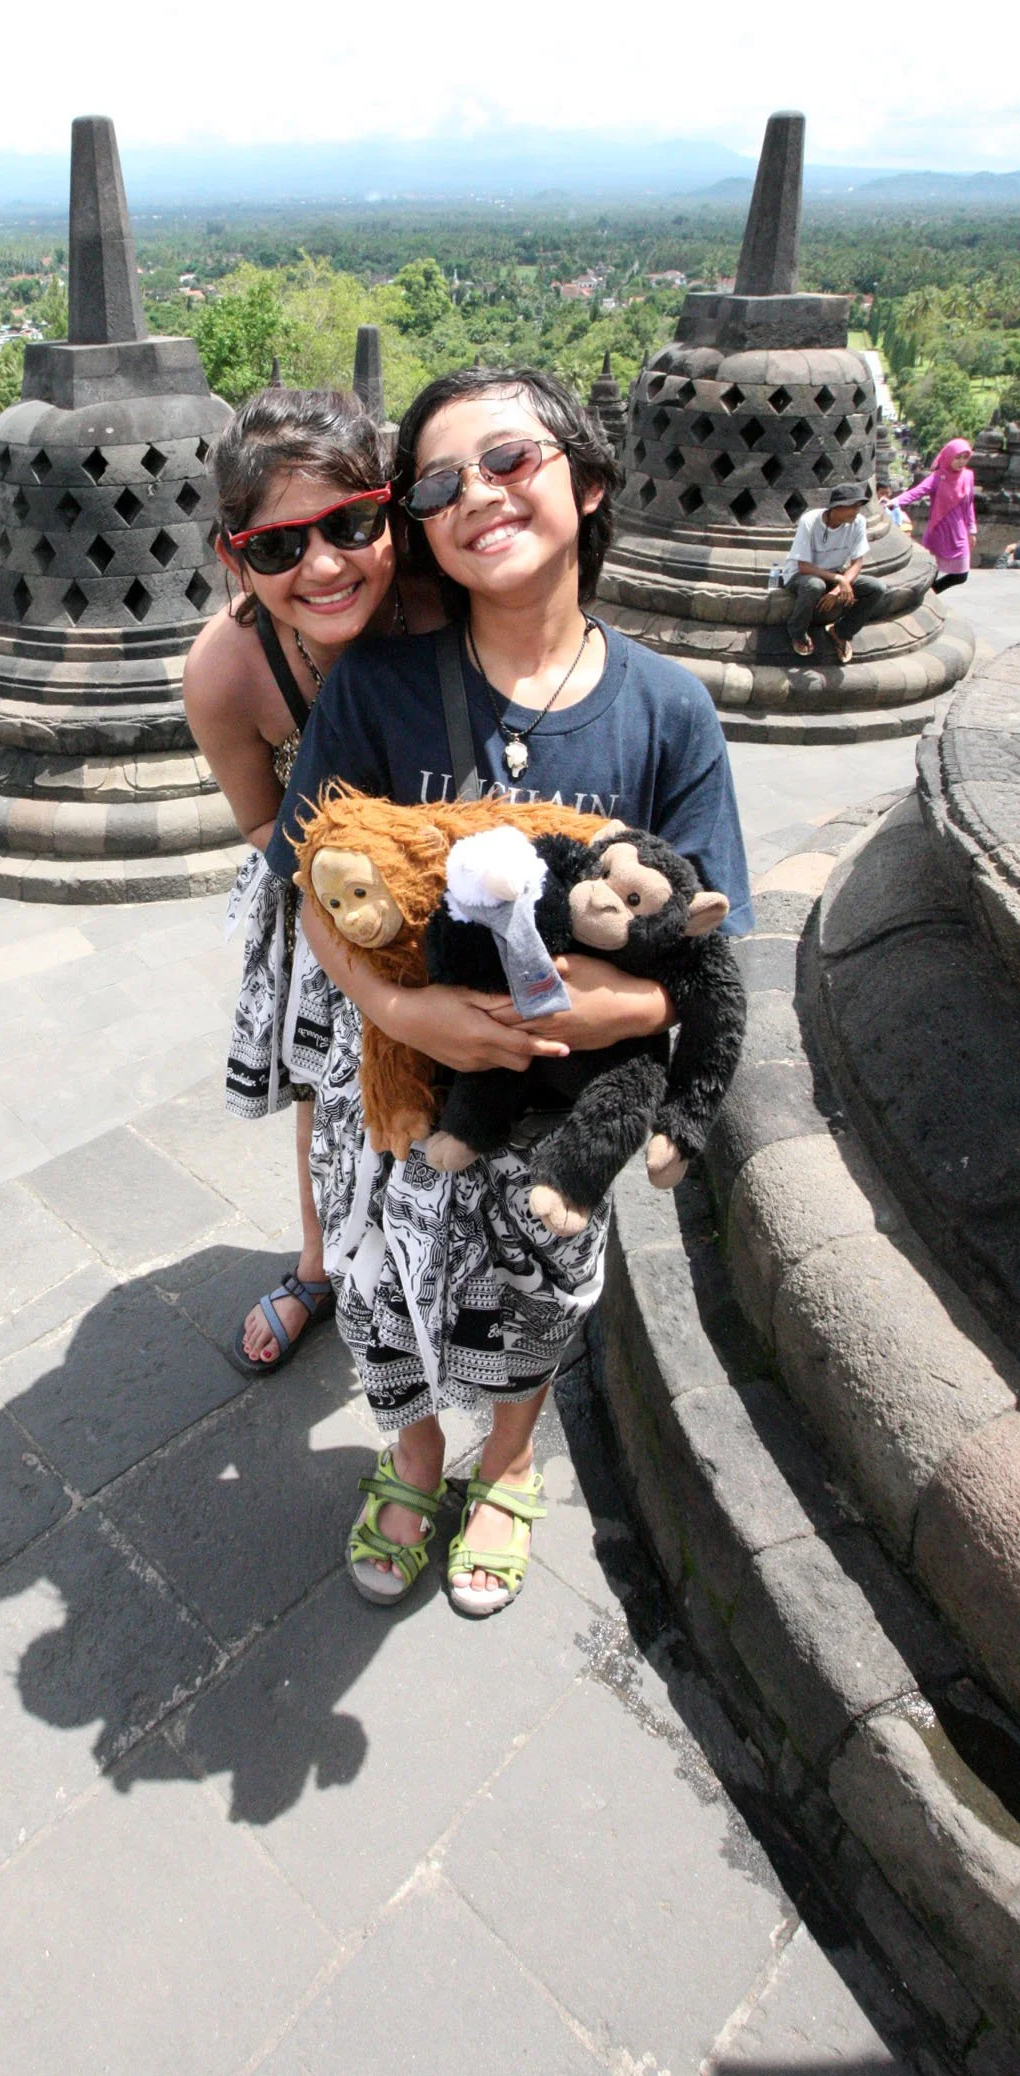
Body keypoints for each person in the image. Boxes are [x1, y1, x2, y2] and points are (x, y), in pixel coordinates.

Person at [266, 365, 750, 1618]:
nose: (475, 494)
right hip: (399, 1080)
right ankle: (416, 1458)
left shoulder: (665, 712)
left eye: (508, 460)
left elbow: (703, 957)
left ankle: (509, 1461)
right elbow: (312, 887)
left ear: (585, 483)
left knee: (532, 1291)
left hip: (563, 1104)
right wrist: (395, 1012)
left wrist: (615, 1014)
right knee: (382, 1283)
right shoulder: (376, 689)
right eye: (437, 485)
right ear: (420, 528)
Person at [184, 388, 440, 1373]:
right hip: (320, 897)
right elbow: (261, 823)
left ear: (389, 513)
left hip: (459, 880)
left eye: (350, 526)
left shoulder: (438, 606)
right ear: (233, 557)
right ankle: (318, 1263)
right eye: (279, 546)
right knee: (324, 1092)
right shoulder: (228, 670)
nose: (324, 566)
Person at [774, 483, 887, 664]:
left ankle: (842, 632)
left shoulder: (858, 522)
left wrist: (838, 589)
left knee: (876, 588)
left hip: (834, 573)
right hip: (801, 575)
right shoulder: (810, 521)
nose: (856, 511)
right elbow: (803, 566)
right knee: (815, 585)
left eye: (858, 507)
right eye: (852, 507)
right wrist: (840, 579)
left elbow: (857, 562)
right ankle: (798, 632)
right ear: (837, 508)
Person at [887, 438, 978, 594]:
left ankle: (929, 594)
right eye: (958, 457)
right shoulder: (937, 478)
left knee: (961, 575)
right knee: (932, 571)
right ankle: (923, 596)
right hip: (939, 530)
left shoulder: (967, 476)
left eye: (965, 457)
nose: (961, 462)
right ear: (949, 457)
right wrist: (895, 502)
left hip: (959, 531)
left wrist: (972, 530)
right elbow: (916, 492)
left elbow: (968, 504)